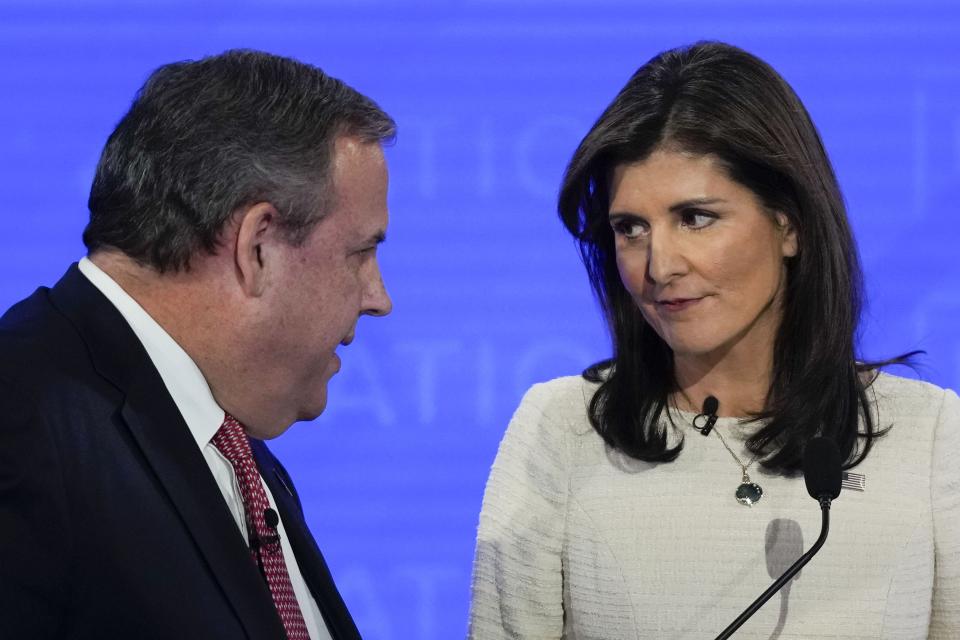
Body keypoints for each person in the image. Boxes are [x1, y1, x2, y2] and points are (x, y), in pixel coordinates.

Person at [469, 41, 959, 639]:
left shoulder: (932, 437)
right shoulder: (561, 432)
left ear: (790, 225)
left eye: (695, 217)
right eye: (631, 229)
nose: (659, 265)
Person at [0, 50, 394, 639]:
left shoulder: (232, 446)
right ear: (257, 246)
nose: (378, 297)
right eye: (361, 253)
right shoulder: (19, 416)